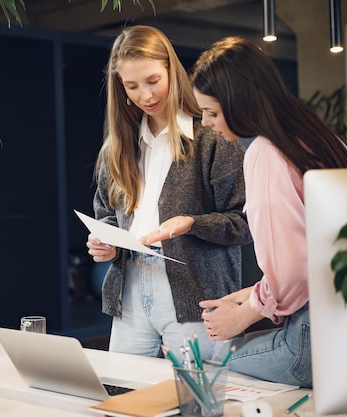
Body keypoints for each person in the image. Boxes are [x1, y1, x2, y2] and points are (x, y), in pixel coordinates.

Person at [192, 36, 347, 388]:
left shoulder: (265, 155)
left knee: (207, 368)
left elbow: (293, 270)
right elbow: (321, 257)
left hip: (311, 342)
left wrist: (242, 316)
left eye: (212, 112)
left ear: (239, 102)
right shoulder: (325, 139)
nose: (206, 123)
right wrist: (249, 296)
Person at [86, 25, 252, 360]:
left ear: (170, 71)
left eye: (152, 81)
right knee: (125, 397)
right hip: (130, 291)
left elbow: (244, 222)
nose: (144, 95)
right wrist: (104, 244)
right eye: (131, 86)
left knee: (198, 402)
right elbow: (105, 213)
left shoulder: (212, 137)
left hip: (198, 296)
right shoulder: (118, 148)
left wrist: (192, 223)